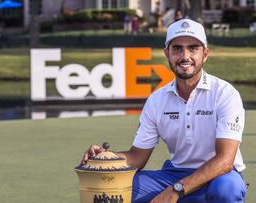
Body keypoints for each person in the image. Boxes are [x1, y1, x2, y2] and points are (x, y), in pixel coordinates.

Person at [82, 18, 247, 203]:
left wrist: (176, 191)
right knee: (121, 186)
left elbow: (225, 160)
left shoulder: (225, 94)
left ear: (205, 54)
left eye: (193, 48)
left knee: (226, 190)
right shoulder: (156, 100)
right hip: (174, 173)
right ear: (167, 53)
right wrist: (106, 157)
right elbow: (137, 156)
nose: (185, 56)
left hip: (219, 175)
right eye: (177, 48)